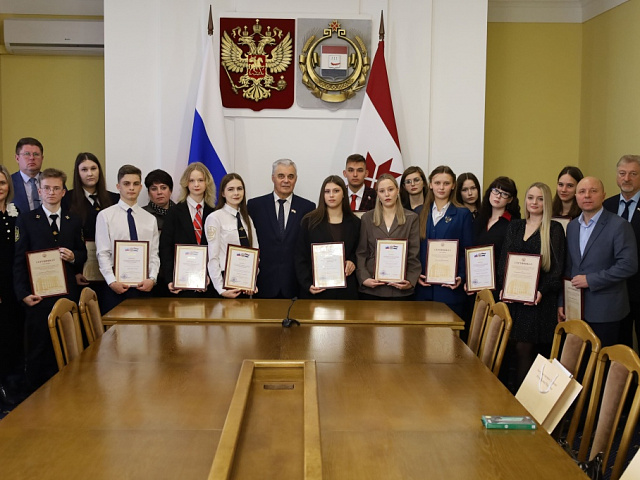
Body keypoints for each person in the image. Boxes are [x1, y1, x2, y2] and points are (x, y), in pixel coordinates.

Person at [13, 168, 86, 391]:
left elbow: (82, 253)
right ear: (39, 191)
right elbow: (18, 260)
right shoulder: (26, 220)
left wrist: (74, 257)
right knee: (38, 349)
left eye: (56, 188)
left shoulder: (73, 220)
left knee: (67, 346)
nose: (51, 192)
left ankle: (69, 392)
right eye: (46, 188)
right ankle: (35, 396)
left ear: (64, 192)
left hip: (66, 295)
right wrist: (23, 294)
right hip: (38, 297)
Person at [498, 182, 565, 389]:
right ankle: (508, 397)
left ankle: (523, 400)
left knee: (524, 350)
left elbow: (557, 270)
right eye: (530, 197)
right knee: (508, 349)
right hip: (513, 300)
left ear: (547, 202)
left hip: (538, 303)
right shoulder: (515, 226)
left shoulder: (554, 229)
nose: (534, 202)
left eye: (540, 199)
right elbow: (504, 262)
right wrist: (504, 287)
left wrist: (541, 292)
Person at [560, 177, 637, 348]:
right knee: (578, 360)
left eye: (593, 191)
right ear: (576, 197)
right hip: (576, 309)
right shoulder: (572, 227)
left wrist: (591, 280)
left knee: (602, 361)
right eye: (582, 192)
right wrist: (562, 302)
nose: (587, 195)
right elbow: (568, 267)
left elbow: (628, 265)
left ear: (603, 195)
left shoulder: (619, 225)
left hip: (606, 311)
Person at [95, 165, 160, 312]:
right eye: (126, 184)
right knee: (115, 327)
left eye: (135, 184)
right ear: (118, 186)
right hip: (116, 287)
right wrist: (112, 282)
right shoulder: (105, 216)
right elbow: (103, 253)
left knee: (144, 326)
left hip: (144, 286)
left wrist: (152, 279)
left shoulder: (150, 219)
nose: (131, 188)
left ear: (140, 187)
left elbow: (154, 254)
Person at [247, 159, 315, 298]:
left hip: (295, 285)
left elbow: (308, 247)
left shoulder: (308, 208)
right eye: (281, 176)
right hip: (263, 284)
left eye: (290, 176)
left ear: (296, 179)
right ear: (273, 178)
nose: (286, 181)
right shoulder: (255, 206)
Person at [415, 166, 474, 319]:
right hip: (423, 290)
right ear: (430, 184)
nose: (441, 187)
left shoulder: (463, 214)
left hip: (450, 291)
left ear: (453, 185)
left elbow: (467, 251)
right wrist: (415, 273)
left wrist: (461, 276)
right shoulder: (419, 212)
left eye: (446, 183)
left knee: (449, 334)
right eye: (437, 183)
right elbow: (413, 249)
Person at [67, 153, 119, 312]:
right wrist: (75, 272)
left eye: (93, 168)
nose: (90, 173)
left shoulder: (114, 199)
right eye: (84, 169)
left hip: (111, 269)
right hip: (82, 270)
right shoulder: (67, 199)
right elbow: (68, 238)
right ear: (77, 173)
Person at [356, 173, 421, 299]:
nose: (387, 194)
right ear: (377, 194)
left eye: (390, 189)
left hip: (400, 288)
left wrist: (410, 280)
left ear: (397, 191)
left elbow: (414, 254)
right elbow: (361, 252)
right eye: (382, 191)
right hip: (372, 287)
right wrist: (364, 278)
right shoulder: (367, 218)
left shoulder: (411, 218)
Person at [295, 175, 361, 300]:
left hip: (346, 292)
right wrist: (307, 284)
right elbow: (300, 256)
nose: (331, 195)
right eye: (327, 191)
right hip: (317, 290)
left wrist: (352, 261)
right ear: (322, 195)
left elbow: (359, 252)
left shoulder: (355, 223)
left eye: (336, 191)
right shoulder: (309, 221)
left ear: (344, 194)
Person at [160, 162, 217, 298]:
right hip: (180, 284)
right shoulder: (174, 212)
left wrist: (210, 276)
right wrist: (170, 279)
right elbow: (165, 247)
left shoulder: (214, 213)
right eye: (192, 180)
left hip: (208, 284)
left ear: (207, 183)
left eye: (200, 180)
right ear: (186, 183)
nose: (196, 184)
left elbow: (216, 249)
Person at [603, 155, 640, 349]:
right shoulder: (606, 206)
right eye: (622, 173)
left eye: (633, 174)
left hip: (638, 286)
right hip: (614, 290)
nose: (627, 178)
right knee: (618, 346)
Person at [205, 173, 259, 298]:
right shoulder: (215, 218)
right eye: (231, 189)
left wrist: (252, 280)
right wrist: (220, 289)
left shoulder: (247, 218)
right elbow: (213, 257)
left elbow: (255, 251)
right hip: (225, 281)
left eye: (239, 189)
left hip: (245, 281)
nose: (236, 193)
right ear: (223, 193)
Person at [0, 166, 25, 407]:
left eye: (2, 183)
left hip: (13, 286)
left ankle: (10, 386)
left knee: (12, 336)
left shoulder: (15, 215)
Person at [473, 176, 521, 271]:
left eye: (504, 194)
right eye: (496, 191)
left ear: (510, 199)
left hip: (499, 275)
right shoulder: (479, 219)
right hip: (476, 273)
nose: (498, 196)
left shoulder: (513, 224)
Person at [11, 137, 45, 212]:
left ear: (42, 158)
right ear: (17, 158)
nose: (32, 158)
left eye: (36, 154)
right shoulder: (9, 183)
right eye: (27, 154)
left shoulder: (53, 181)